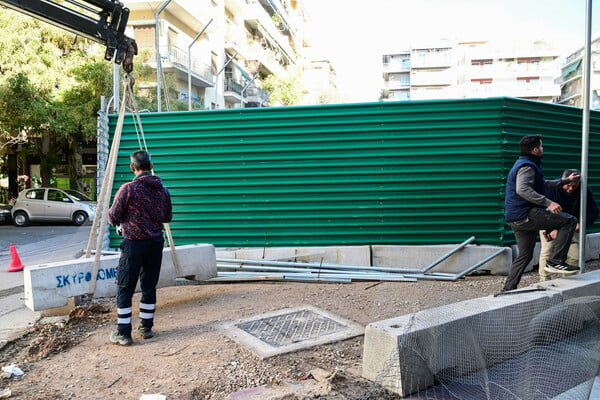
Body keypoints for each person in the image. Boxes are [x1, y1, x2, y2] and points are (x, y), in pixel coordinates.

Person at [108, 150, 172, 346]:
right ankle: (146, 328)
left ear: (132, 167)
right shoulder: (163, 190)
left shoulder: (128, 189)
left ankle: (123, 333)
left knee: (125, 287)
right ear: (151, 166)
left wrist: (125, 222)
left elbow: (112, 216)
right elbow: (167, 218)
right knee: (149, 286)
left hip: (133, 244)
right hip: (155, 244)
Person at [503, 135, 580, 292]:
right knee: (569, 220)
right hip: (525, 214)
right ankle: (556, 260)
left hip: (515, 218)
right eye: (541, 146)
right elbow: (522, 189)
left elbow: (542, 184)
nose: (543, 149)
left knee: (525, 256)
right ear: (535, 149)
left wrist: (565, 181)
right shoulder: (527, 166)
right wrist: (548, 203)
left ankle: (508, 289)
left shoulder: (527, 164)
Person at [538, 169, 599, 281]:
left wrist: (582, 224)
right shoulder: (551, 189)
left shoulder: (584, 191)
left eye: (574, 186)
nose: (571, 189)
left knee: (575, 256)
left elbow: (593, 211)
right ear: (563, 181)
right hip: (550, 225)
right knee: (547, 253)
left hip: (572, 227)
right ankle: (544, 280)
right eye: (568, 185)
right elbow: (541, 211)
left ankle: (569, 281)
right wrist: (550, 231)